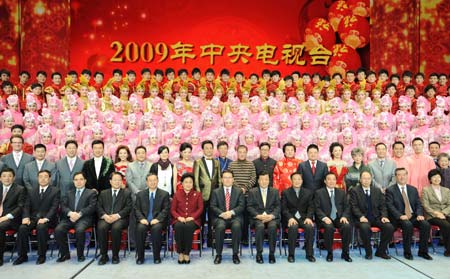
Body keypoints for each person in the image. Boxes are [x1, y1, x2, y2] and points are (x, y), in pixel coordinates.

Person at [13, 170, 60, 265]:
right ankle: (22, 256)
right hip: (33, 218)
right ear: (37, 178)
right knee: (22, 228)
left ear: (49, 179)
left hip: (48, 219)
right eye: (40, 177)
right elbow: (26, 206)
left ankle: (41, 255)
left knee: (41, 227)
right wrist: (25, 217)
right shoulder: (31, 191)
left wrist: (46, 218)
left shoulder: (55, 191)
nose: (43, 179)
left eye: (45, 177)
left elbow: (54, 207)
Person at [386, 168, 432, 260]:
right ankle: (407, 252)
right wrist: (400, 215)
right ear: (396, 177)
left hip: (412, 216)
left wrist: (419, 214)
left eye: (404, 174)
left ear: (407, 176)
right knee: (407, 225)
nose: (402, 177)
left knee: (425, 224)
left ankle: (423, 251)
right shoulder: (390, 190)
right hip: (399, 218)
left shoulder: (413, 189)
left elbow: (418, 204)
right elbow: (390, 206)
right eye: (399, 175)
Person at [349, 171, 394, 260]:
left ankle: (381, 251)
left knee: (389, 227)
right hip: (362, 218)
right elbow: (353, 206)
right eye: (364, 178)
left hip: (376, 217)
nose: (366, 180)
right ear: (360, 180)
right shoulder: (354, 191)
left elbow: (383, 206)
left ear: (371, 180)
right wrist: (360, 217)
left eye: (368, 178)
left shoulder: (376, 190)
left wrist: (384, 216)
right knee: (365, 228)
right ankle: (368, 251)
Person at [55, 172, 97, 262]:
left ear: (85, 181)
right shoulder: (69, 193)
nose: (79, 182)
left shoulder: (91, 193)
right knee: (58, 230)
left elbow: (92, 207)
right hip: (70, 218)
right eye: (76, 180)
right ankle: (65, 254)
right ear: (73, 181)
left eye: (81, 179)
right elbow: (63, 206)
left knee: (80, 230)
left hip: (84, 218)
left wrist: (79, 214)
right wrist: (70, 213)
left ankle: (80, 255)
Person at [314, 172, 352, 262]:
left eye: (333, 179)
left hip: (339, 218)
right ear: (325, 181)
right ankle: (329, 252)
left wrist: (344, 216)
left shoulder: (341, 192)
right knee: (329, 227)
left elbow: (347, 207)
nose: (331, 181)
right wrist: (324, 217)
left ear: (336, 181)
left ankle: (345, 253)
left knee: (346, 226)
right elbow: (317, 208)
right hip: (325, 219)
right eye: (329, 179)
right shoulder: (319, 193)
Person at [210, 169, 245, 264]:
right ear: (221, 179)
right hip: (220, 217)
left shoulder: (239, 191)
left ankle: (235, 254)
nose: (227, 179)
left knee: (237, 226)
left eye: (229, 177)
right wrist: (222, 214)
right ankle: (218, 254)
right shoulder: (216, 192)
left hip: (235, 217)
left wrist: (231, 212)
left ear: (233, 179)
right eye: (225, 177)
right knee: (220, 227)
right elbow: (213, 206)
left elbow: (241, 206)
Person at [97, 172, 132, 265]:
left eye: (119, 180)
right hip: (105, 217)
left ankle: (115, 255)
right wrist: (105, 216)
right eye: (115, 180)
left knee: (116, 228)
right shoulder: (103, 193)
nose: (117, 182)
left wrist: (117, 216)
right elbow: (98, 207)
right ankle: (104, 255)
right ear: (110, 181)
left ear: (122, 182)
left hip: (121, 218)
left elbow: (128, 207)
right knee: (101, 227)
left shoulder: (126, 193)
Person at [134, 173, 170, 264]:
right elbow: (136, 209)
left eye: (154, 180)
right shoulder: (140, 194)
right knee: (140, 228)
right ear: (146, 182)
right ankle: (140, 257)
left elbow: (166, 209)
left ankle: (157, 257)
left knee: (156, 228)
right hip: (144, 220)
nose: (152, 182)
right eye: (150, 180)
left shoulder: (164, 194)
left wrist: (157, 219)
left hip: (158, 221)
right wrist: (141, 219)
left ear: (158, 181)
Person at [281, 172, 315, 263]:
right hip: (291, 218)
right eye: (294, 179)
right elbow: (284, 208)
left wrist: (309, 217)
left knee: (310, 227)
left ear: (302, 181)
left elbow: (311, 207)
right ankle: (291, 255)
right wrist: (290, 218)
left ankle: (309, 254)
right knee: (293, 227)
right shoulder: (285, 192)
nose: (297, 181)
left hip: (304, 218)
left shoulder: (308, 192)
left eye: (299, 179)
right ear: (291, 181)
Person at [247, 171, 280, 264]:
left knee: (272, 227)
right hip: (258, 218)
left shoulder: (275, 191)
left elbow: (278, 206)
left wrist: (272, 216)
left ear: (269, 181)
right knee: (260, 227)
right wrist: (258, 216)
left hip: (271, 217)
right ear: (258, 181)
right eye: (262, 179)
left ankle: (271, 254)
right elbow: (249, 206)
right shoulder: (252, 192)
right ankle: (259, 254)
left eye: (266, 179)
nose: (264, 181)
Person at [170, 172, 203, 264]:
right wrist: (178, 217)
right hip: (179, 219)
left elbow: (200, 208)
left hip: (193, 220)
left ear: (193, 184)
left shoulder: (198, 194)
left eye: (190, 182)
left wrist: (192, 217)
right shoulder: (177, 194)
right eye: (186, 182)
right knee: (179, 227)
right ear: (182, 183)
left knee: (188, 227)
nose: (188, 184)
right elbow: (172, 210)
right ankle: (180, 252)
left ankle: (187, 253)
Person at [193, 140, 221, 246]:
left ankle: (210, 241)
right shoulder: (198, 162)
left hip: (214, 195)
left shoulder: (216, 162)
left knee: (213, 219)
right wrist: (199, 195)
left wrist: (219, 194)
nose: (209, 150)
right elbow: (195, 180)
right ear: (203, 149)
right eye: (206, 148)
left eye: (210, 148)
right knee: (200, 218)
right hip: (202, 195)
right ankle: (200, 242)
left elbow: (219, 179)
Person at [0, 168, 26, 266]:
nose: (7, 178)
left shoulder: (20, 189)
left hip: (12, 219)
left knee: (0, 226)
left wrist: (5, 217)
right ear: (0, 178)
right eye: (4, 176)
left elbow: (20, 207)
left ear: (14, 178)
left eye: (10, 176)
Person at [422, 169, 450, 257]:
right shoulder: (426, 190)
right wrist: (437, 214)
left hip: (445, 214)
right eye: (434, 177)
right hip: (432, 216)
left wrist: (443, 213)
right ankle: (448, 249)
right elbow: (425, 205)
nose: (436, 179)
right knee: (446, 225)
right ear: (430, 179)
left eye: (438, 177)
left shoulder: (446, 190)